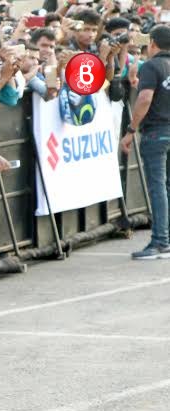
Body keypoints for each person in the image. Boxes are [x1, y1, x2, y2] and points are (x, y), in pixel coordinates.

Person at [120, 25, 170, 260]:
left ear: (152, 43)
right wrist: (136, 82)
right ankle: (165, 239)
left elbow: (145, 98)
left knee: (158, 188)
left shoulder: (152, 65)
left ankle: (160, 241)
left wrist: (131, 130)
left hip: (156, 133)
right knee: (166, 187)